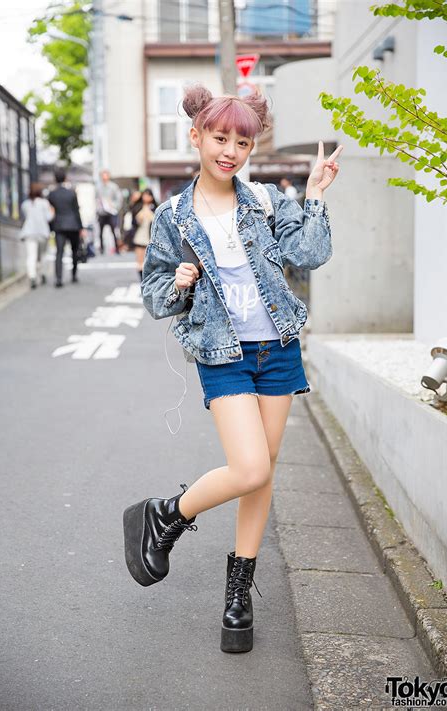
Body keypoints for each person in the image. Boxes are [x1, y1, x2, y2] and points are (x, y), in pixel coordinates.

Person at [123, 84, 343, 654]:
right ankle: (167, 514)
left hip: (279, 351)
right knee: (248, 468)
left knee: (262, 472)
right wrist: (177, 282)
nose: (230, 151)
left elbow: (310, 254)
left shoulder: (267, 200)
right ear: (196, 137)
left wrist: (315, 193)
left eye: (242, 141)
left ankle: (238, 593)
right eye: (220, 138)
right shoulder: (173, 214)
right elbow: (152, 292)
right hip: (222, 354)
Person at [48, 168, 83, 288]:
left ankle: (58, 279)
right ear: (65, 178)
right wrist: (81, 227)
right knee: (74, 251)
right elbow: (76, 211)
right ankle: (73, 275)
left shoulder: (52, 194)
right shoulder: (72, 192)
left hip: (59, 226)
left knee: (59, 253)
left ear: (55, 179)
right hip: (73, 225)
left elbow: (51, 212)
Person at [20, 183, 54, 289]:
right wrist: (53, 211)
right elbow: (49, 217)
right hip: (42, 232)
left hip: (29, 232)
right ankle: (43, 274)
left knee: (31, 256)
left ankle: (32, 276)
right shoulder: (44, 203)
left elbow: (25, 216)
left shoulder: (25, 204)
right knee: (43, 255)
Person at [132, 188, 157, 287]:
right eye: (145, 195)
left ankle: (149, 277)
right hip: (139, 235)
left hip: (150, 237)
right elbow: (133, 222)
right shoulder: (138, 206)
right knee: (139, 259)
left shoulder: (155, 207)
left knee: (150, 259)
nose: (146, 197)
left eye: (149, 195)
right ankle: (141, 279)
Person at [96, 169, 122, 254]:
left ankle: (117, 248)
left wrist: (112, 205)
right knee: (100, 231)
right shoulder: (98, 187)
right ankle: (102, 248)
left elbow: (118, 199)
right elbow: (96, 199)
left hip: (111, 212)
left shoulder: (113, 187)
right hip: (102, 212)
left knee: (114, 230)